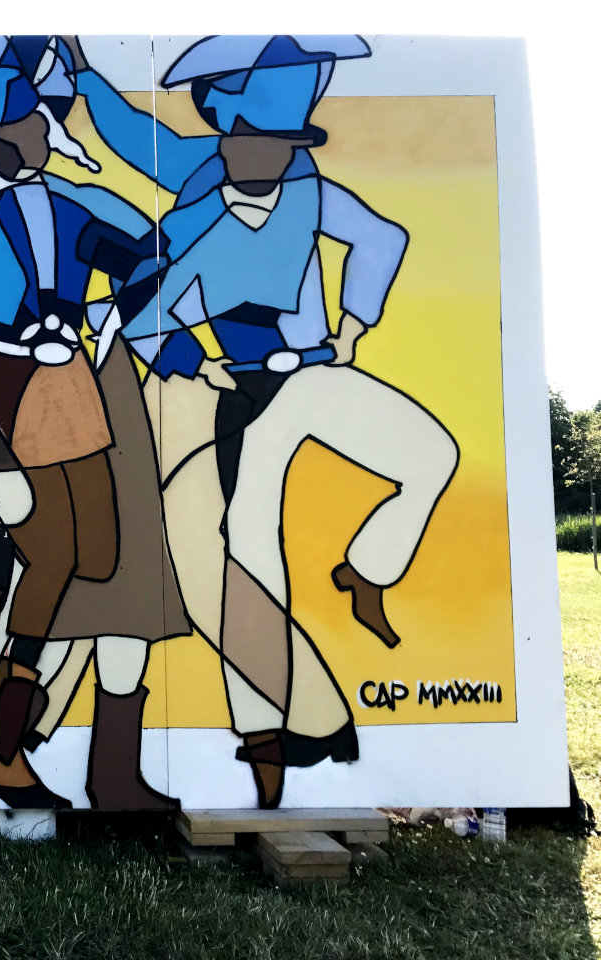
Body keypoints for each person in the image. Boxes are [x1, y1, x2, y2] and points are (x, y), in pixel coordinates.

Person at [68, 34, 458, 806]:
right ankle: (266, 734)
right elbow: (140, 304)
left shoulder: (309, 190)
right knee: (248, 555)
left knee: (431, 454)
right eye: (255, 140)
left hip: (306, 373)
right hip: (236, 394)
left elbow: (384, 238)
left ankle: (367, 569)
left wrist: (353, 323)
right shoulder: (197, 207)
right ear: (224, 131)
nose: (271, 157)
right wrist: (194, 361)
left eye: (286, 143)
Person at [0, 37, 189, 810]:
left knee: (98, 553)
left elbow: (142, 258)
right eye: (25, 123)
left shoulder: (68, 206)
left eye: (39, 120)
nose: (41, 130)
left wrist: (116, 311)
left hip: (72, 378)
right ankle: (2, 751)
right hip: (11, 378)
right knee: (56, 554)